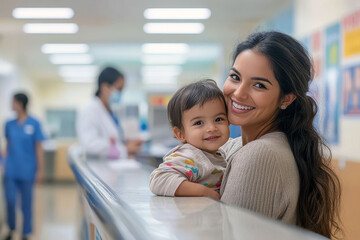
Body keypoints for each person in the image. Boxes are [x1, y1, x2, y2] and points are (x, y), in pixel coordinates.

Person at [220, 31, 341, 239]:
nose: (239, 93)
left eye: (259, 85)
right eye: (235, 77)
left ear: (286, 99)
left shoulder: (259, 155)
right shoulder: (243, 145)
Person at [150, 79, 230, 200]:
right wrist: (205, 192)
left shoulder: (219, 153)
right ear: (180, 134)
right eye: (199, 122)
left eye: (219, 119)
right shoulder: (191, 156)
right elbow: (159, 179)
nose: (212, 128)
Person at [3, 92, 45, 240]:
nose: (11, 105)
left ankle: (25, 233)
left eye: (13, 102)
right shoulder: (9, 124)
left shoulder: (34, 123)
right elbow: (7, 146)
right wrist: (3, 163)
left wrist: (40, 170)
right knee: (10, 200)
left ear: (20, 104)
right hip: (11, 170)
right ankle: (11, 227)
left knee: (26, 204)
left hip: (28, 170)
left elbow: (38, 148)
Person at [77, 67, 143, 159]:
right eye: (119, 89)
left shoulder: (109, 111)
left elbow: (114, 139)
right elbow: (90, 144)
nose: (120, 94)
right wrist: (124, 149)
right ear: (105, 87)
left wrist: (127, 143)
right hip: (98, 166)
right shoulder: (90, 110)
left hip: (112, 165)